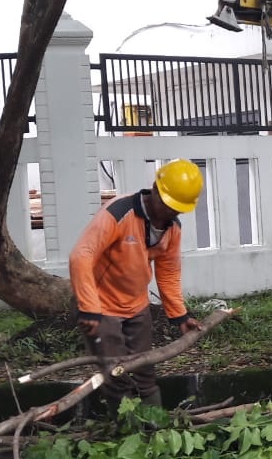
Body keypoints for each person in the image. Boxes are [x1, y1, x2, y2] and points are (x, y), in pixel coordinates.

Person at [69, 158, 204, 411]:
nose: (171, 213)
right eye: (168, 206)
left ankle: (155, 431)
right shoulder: (119, 212)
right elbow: (81, 256)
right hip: (102, 308)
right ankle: (127, 434)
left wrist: (179, 315)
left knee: (144, 372)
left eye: (177, 209)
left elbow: (169, 272)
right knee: (116, 374)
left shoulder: (172, 227)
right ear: (155, 189)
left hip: (136, 306)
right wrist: (89, 308)